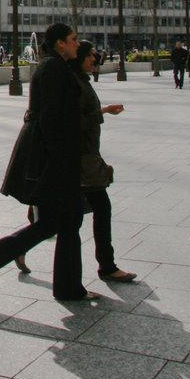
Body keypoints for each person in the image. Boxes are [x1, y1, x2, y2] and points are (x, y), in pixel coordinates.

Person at [0, 24, 100, 303]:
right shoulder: (54, 71)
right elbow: (52, 120)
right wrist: (58, 162)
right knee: (64, 220)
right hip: (56, 161)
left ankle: (65, 286)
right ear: (60, 44)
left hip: (55, 159)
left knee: (57, 223)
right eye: (73, 40)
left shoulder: (54, 68)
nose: (78, 45)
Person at [73, 40, 137, 282]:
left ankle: (18, 248)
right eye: (91, 55)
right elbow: (75, 122)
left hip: (86, 156)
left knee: (56, 220)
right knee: (100, 208)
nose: (95, 59)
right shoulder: (76, 84)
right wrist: (100, 114)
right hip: (83, 158)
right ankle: (107, 266)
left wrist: (104, 111)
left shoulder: (81, 80)